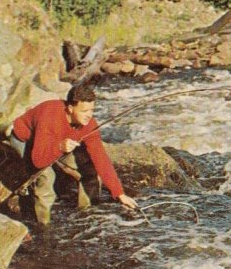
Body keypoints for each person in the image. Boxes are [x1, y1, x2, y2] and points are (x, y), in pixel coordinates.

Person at [10, 84, 137, 225]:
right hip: (26, 139)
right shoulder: (49, 116)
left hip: (59, 142)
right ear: (70, 109)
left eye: (92, 110)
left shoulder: (89, 123)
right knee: (46, 178)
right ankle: (43, 228)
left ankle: (87, 216)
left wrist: (119, 193)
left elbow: (101, 159)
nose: (89, 115)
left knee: (90, 169)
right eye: (84, 111)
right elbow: (39, 160)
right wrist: (60, 147)